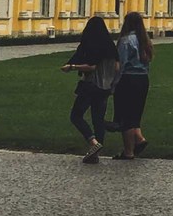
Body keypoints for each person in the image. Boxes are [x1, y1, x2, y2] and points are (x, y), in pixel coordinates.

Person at [62, 17, 121, 163]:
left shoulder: (91, 45)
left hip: (91, 85)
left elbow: (91, 66)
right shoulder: (110, 45)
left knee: (76, 115)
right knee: (98, 120)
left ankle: (93, 142)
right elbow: (117, 67)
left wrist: (72, 67)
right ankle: (95, 153)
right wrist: (112, 82)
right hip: (105, 87)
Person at [108, 12, 154, 160]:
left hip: (128, 79)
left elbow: (120, 65)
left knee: (125, 115)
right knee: (135, 113)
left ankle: (128, 151)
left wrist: (113, 84)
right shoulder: (145, 41)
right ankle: (139, 139)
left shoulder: (126, 41)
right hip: (142, 79)